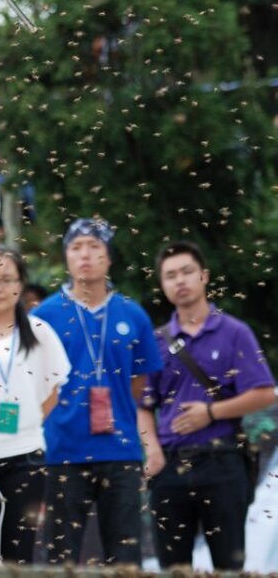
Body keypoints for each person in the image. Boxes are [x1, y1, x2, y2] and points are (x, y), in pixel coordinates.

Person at [137, 240, 276, 570]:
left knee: (229, 565)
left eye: (187, 272)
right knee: (172, 567)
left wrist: (211, 413)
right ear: (162, 285)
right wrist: (152, 451)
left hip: (223, 461)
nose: (180, 281)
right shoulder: (156, 341)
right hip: (169, 466)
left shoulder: (234, 332)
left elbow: (265, 393)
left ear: (204, 276)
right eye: (171, 275)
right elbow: (142, 404)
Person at [33, 218, 163, 566]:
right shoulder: (43, 316)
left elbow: (137, 383)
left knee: (125, 556)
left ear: (109, 257)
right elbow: (33, 383)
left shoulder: (132, 314)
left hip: (120, 450)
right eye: (76, 248)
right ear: (66, 258)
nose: (85, 255)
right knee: (61, 556)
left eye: (94, 246)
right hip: (63, 450)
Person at [0, 246, 71, 564]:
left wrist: (24, 425)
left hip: (25, 461)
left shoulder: (40, 332)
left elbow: (52, 392)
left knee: (19, 554)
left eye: (6, 279)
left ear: (21, 285)